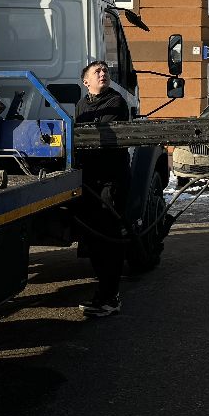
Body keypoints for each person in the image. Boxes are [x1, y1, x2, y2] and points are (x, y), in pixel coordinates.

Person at [74, 59, 131, 317]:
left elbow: (95, 136)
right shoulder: (81, 104)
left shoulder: (115, 101)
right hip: (90, 180)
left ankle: (110, 297)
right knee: (94, 238)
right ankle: (103, 294)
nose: (103, 74)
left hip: (111, 180)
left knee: (109, 238)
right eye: (97, 71)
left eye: (105, 71)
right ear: (86, 81)